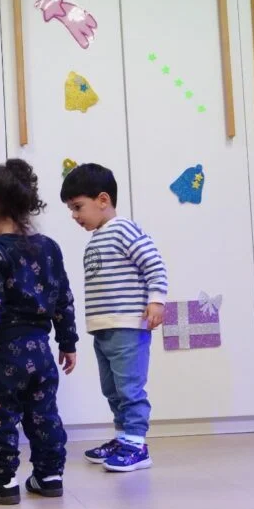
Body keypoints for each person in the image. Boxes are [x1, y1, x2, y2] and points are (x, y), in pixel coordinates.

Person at [0, 159, 78, 506]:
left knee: (0, 417)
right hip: (41, 353)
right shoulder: (49, 247)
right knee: (44, 415)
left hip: (5, 355)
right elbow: (63, 298)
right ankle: (49, 476)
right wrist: (67, 341)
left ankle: (1, 481)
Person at [60, 163, 168, 472]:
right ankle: (123, 438)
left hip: (127, 325)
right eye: (71, 209)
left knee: (130, 388)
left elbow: (154, 265)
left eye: (78, 206)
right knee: (112, 389)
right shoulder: (97, 238)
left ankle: (137, 444)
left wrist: (156, 301)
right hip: (104, 328)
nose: (74, 215)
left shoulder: (124, 229)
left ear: (103, 200)